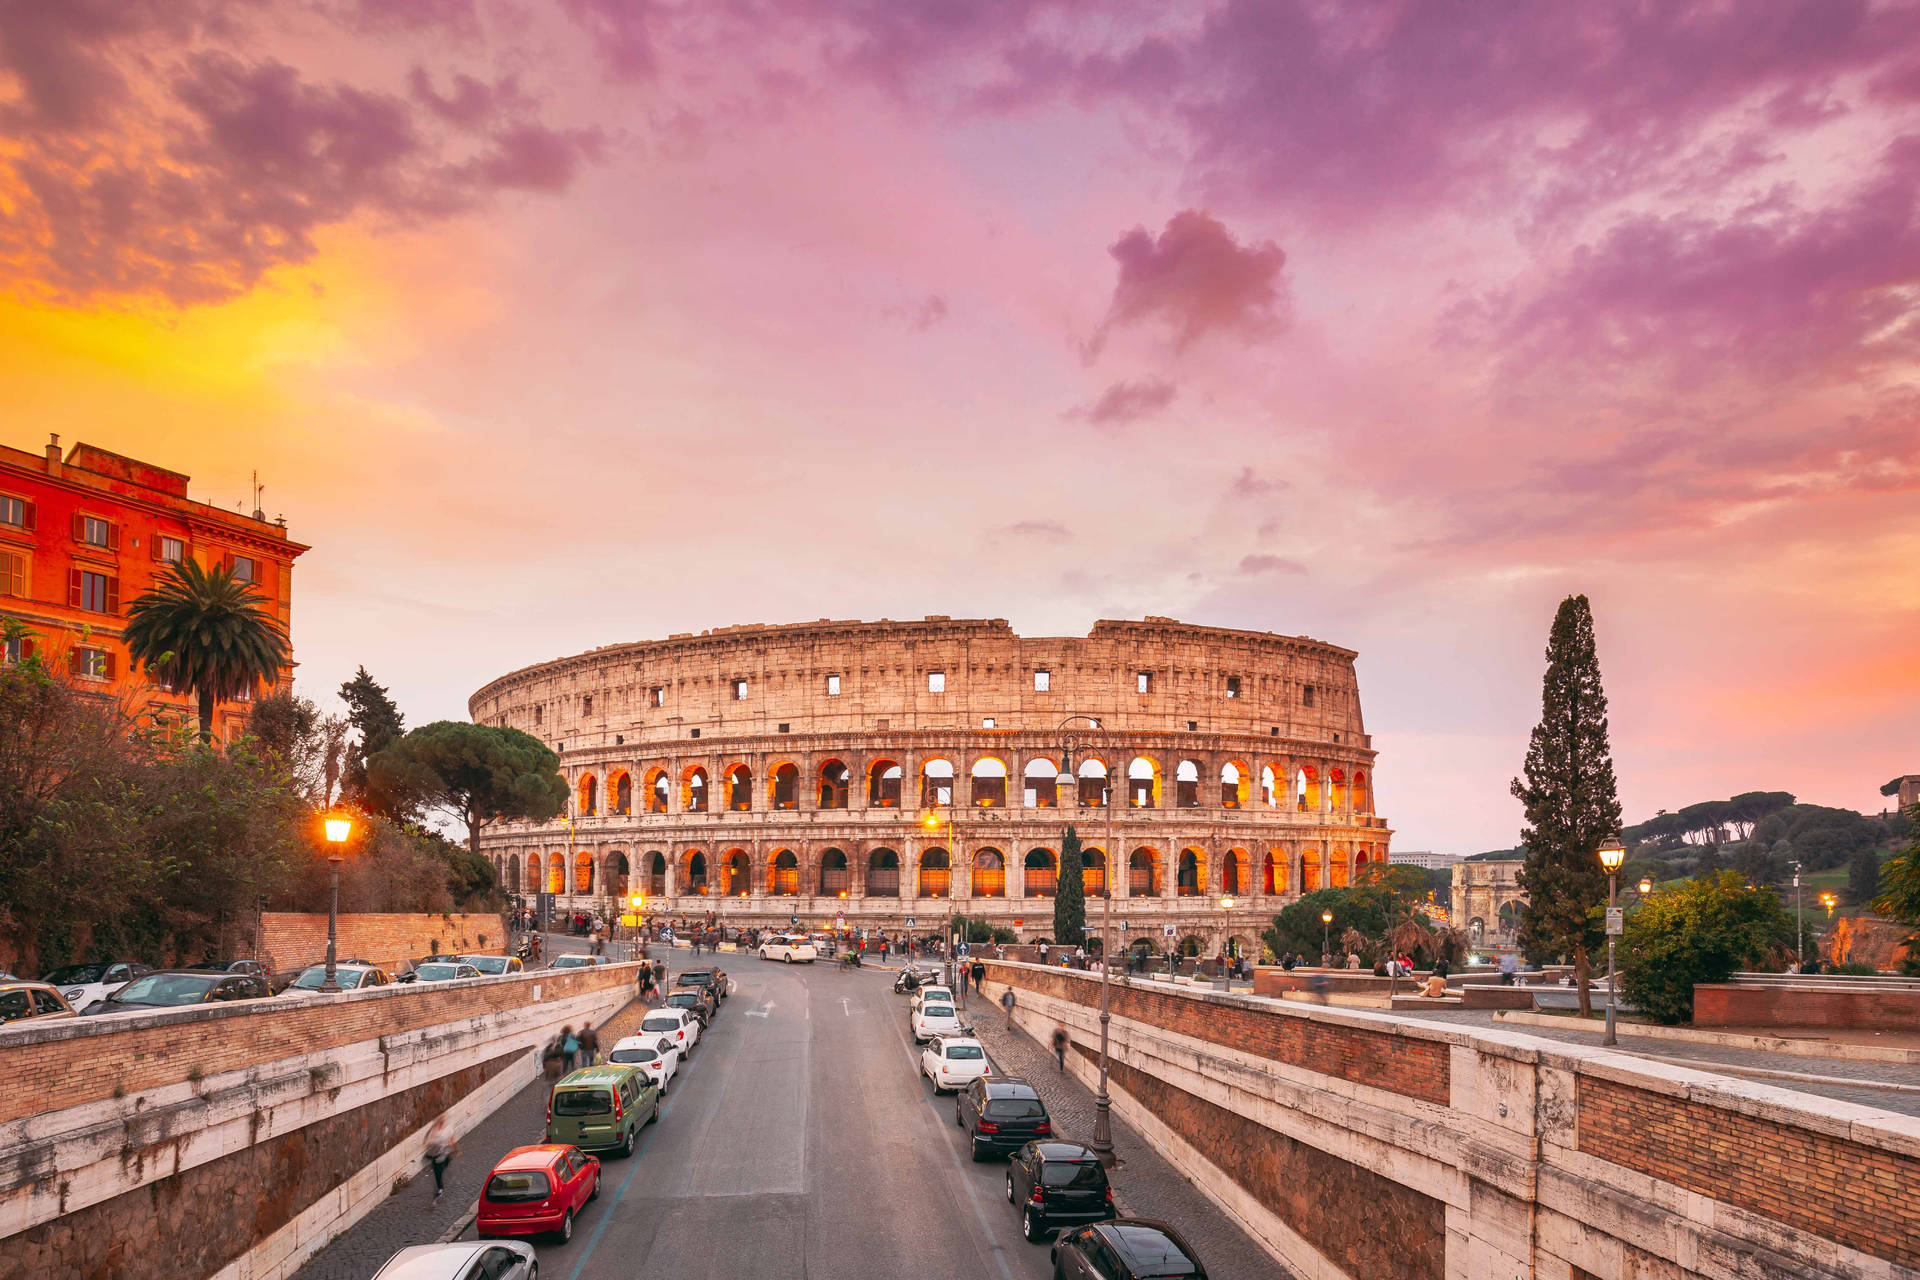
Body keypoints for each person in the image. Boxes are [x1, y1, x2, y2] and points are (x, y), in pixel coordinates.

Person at [424, 1116, 456, 1199]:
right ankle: (440, 1188)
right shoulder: (435, 1130)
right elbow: (428, 1141)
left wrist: (456, 1150)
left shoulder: (445, 1130)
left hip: (441, 1153)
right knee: (438, 1171)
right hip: (437, 1153)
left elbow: (452, 1141)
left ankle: (440, 1188)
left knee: (438, 1171)